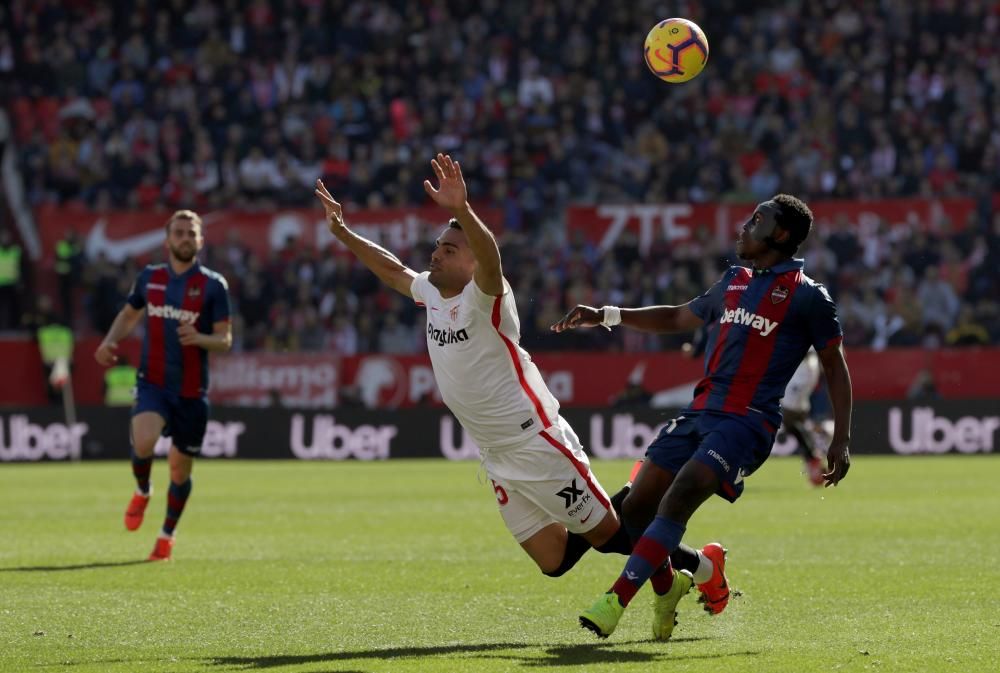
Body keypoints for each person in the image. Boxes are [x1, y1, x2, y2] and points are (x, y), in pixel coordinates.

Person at [313, 154, 640, 582]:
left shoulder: (485, 298)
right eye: (436, 247)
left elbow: (492, 261)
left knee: (610, 535)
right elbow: (393, 272)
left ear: (472, 263)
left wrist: (462, 211)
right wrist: (343, 233)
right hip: (495, 454)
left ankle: (698, 558)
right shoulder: (431, 291)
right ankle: (635, 498)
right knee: (554, 561)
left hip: (534, 441)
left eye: (449, 249)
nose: (436, 255)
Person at [552, 194, 853, 639]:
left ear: (781, 234)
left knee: (680, 495)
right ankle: (681, 582)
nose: (744, 227)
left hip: (747, 422)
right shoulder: (733, 281)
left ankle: (614, 601)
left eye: (757, 221)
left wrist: (841, 438)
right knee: (635, 507)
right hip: (699, 412)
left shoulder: (809, 297)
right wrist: (607, 315)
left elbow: (834, 365)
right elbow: (677, 316)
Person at [94, 210, 232, 561]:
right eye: (179, 232)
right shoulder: (150, 278)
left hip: (191, 392)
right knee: (143, 441)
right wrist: (110, 341)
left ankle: (166, 534)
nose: (185, 238)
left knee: (179, 469)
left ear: (200, 240)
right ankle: (142, 490)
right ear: (168, 239)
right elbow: (129, 314)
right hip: (153, 383)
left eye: (192, 233)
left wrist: (200, 337)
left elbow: (225, 340)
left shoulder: (214, 286)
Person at [780, 347, 826, 486]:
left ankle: (813, 458)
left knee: (788, 416)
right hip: (803, 366)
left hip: (803, 366)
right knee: (797, 416)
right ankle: (813, 458)